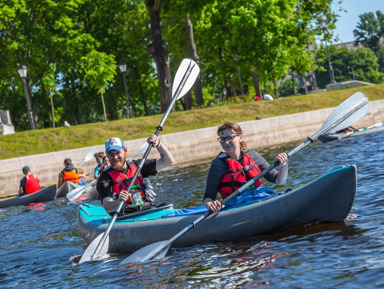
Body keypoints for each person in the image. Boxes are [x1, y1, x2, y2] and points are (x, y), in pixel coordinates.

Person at [203, 121, 289, 212]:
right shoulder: (217, 164)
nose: (226, 142)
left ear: (240, 138)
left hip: (259, 197)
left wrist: (283, 165)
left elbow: (279, 181)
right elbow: (208, 198)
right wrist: (211, 205)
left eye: (229, 137)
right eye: (222, 139)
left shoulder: (254, 156)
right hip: (235, 206)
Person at [97, 135, 174, 216]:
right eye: (111, 154)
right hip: (126, 214)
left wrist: (158, 144)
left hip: (145, 209)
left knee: (166, 205)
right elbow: (107, 206)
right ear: (107, 155)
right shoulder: (104, 177)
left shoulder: (138, 166)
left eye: (118, 152)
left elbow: (168, 161)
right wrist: (118, 201)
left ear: (125, 150)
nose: (115, 157)